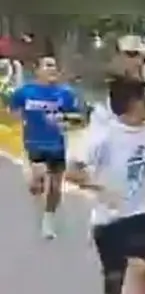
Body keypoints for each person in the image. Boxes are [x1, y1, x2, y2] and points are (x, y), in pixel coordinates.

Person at [66, 76, 145, 294]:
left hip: (142, 213)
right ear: (132, 104)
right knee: (120, 270)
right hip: (109, 220)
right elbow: (72, 170)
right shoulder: (103, 137)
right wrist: (99, 188)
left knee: (141, 269)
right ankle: (112, 275)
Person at [9, 54, 81, 239]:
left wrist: (64, 120)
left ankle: (48, 219)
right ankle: (34, 181)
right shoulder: (25, 92)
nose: (52, 69)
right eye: (47, 66)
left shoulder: (65, 93)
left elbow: (78, 117)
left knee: (56, 187)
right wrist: (20, 121)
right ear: (38, 70)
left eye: (54, 66)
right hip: (34, 143)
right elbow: (13, 111)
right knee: (38, 182)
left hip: (56, 145)